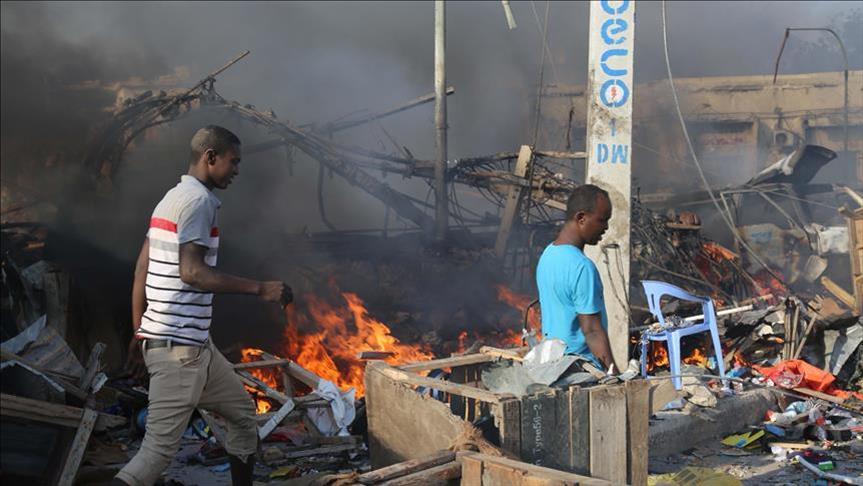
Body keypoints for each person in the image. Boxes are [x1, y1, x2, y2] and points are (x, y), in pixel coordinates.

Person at [114, 125, 290, 486]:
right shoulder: (198, 203)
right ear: (210, 157)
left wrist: (139, 330)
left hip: (196, 349)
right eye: (233, 162)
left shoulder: (171, 198)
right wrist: (260, 289)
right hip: (180, 352)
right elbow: (193, 272)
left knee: (242, 416)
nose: (237, 171)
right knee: (156, 455)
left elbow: (141, 269)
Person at [535, 184, 618, 372]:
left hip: (552, 366)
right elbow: (592, 331)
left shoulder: (548, 255)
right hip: (581, 370)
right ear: (581, 218)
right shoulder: (582, 267)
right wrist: (614, 375)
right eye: (602, 220)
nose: (605, 227)